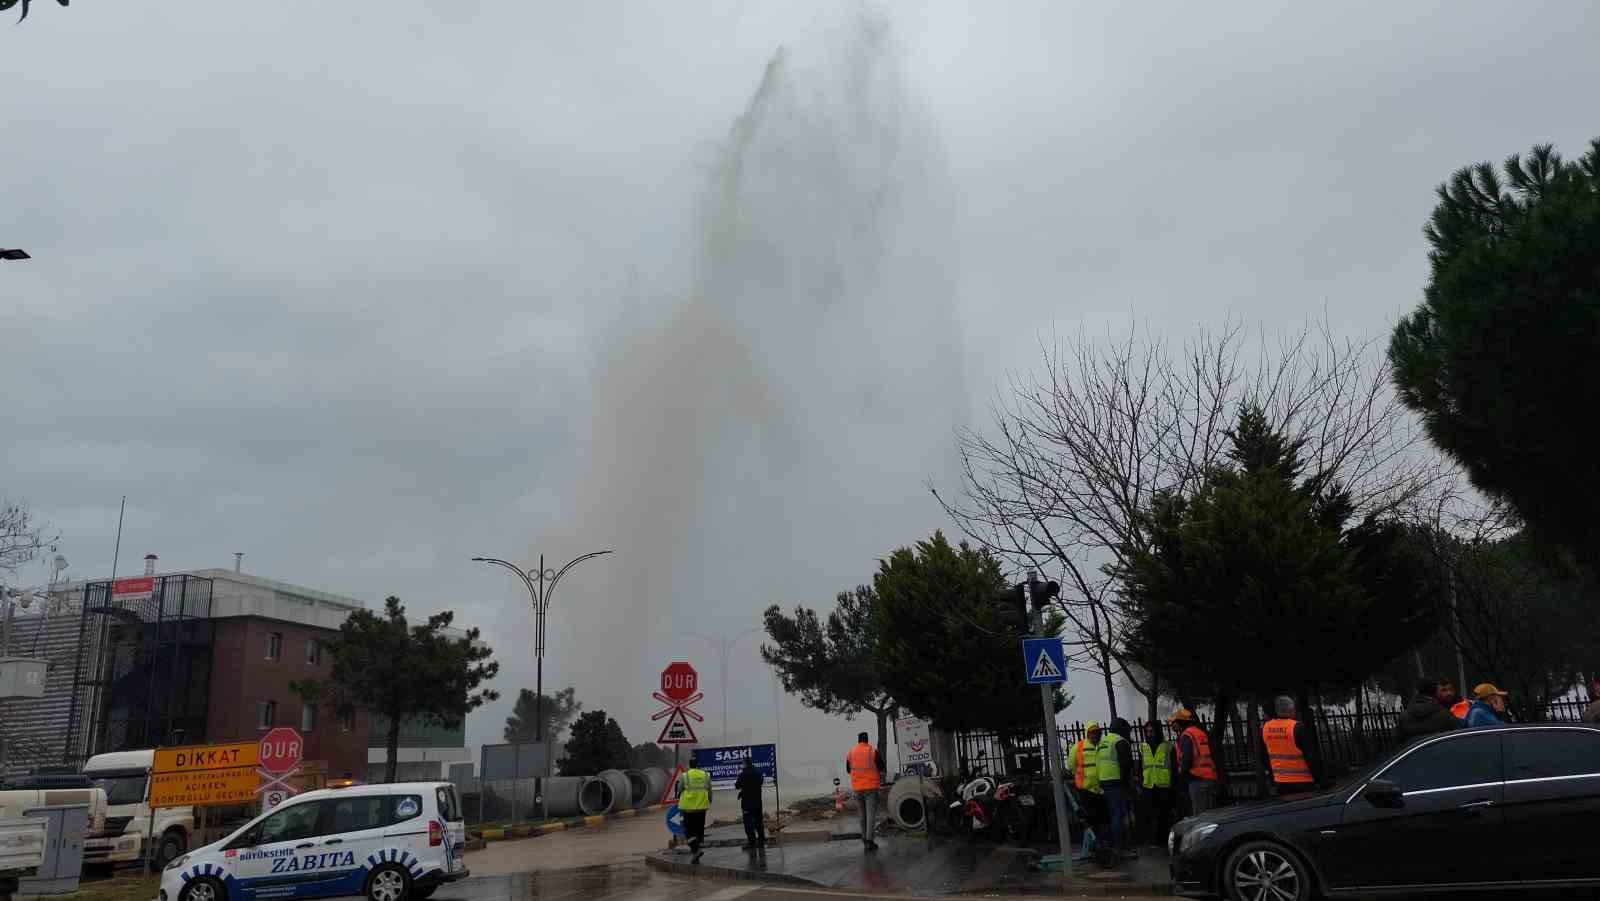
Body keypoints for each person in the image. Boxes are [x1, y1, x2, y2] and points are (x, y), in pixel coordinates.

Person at [1262, 696, 1322, 796]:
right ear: (1291, 710)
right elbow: (1311, 757)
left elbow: (1264, 757)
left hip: (1280, 782)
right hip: (1303, 782)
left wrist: (1274, 776)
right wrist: (1320, 780)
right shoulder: (1297, 727)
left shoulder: (1266, 728)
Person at [1097, 717, 1137, 860]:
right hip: (1117, 783)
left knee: (1111, 815)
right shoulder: (1120, 742)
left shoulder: (1102, 742)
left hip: (1103, 782)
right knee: (1119, 816)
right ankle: (1120, 848)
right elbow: (1126, 765)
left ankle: (1112, 846)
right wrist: (1128, 785)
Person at [1071, 723, 1106, 863]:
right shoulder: (1078, 747)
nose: (1095, 734)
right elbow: (1071, 765)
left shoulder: (1102, 746)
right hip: (1085, 789)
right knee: (1089, 819)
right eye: (1093, 732)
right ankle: (1092, 846)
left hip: (1100, 789)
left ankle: (1098, 845)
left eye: (1097, 732)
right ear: (1087, 733)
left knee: (1100, 819)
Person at [1171, 708, 1218, 816]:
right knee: (1212, 815)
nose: (1172, 725)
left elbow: (1187, 759)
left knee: (1200, 816)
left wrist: (1181, 776)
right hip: (1210, 777)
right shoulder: (1200, 733)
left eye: (1174, 722)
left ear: (1180, 722)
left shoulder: (1186, 735)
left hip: (1196, 779)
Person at [844, 731, 885, 851]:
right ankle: (869, 840)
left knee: (862, 814)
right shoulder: (872, 751)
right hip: (871, 788)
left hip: (857, 788)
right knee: (870, 814)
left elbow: (848, 770)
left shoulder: (851, 752)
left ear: (858, 740)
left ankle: (864, 837)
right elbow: (881, 767)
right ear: (867, 740)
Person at [1138, 721, 1174, 847]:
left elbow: (1173, 767)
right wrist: (1140, 783)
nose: (1150, 734)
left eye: (1152, 731)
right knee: (1150, 815)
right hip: (1148, 785)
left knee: (1164, 815)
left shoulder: (1168, 747)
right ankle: (1153, 839)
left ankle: (1163, 840)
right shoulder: (1142, 747)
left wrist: (1174, 785)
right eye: (1147, 731)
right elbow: (1140, 767)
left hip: (1164, 785)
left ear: (1158, 731)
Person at [1396, 677, 1461, 741]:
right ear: (1436, 692)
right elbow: (1458, 738)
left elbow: (1399, 742)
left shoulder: (1404, 717)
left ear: (1417, 691)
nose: (1448, 693)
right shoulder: (1445, 715)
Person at [679, 764, 713, 864]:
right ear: (698, 765)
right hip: (702, 808)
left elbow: (680, 789)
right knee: (699, 830)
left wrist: (678, 796)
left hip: (689, 809)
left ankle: (696, 850)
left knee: (688, 832)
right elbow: (710, 791)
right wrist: (709, 801)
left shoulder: (685, 776)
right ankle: (696, 853)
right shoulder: (705, 775)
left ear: (689, 765)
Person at [735, 759, 766, 853]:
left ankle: (752, 843)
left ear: (745, 764)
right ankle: (761, 841)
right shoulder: (758, 773)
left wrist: (744, 789)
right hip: (757, 802)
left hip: (747, 803)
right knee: (759, 822)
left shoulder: (743, 774)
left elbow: (737, 786)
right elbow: (761, 782)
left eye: (742, 764)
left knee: (748, 824)